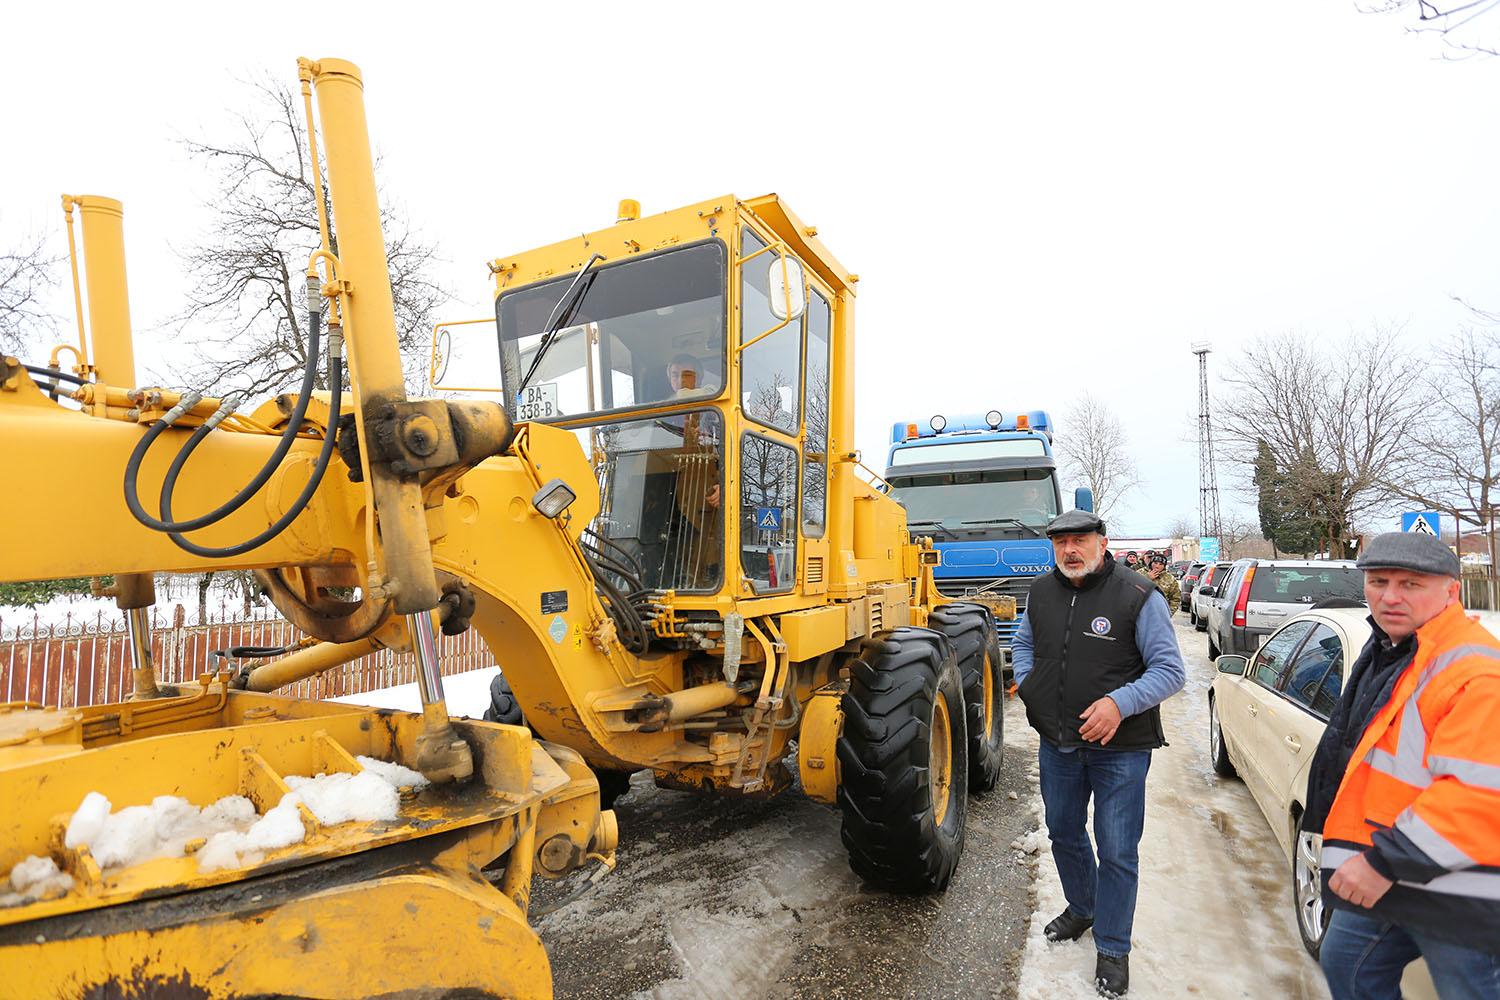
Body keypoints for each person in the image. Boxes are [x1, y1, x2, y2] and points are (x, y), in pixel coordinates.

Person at [1303, 532, 1500, 1000]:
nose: (1389, 596)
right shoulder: (1394, 648)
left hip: (1459, 881)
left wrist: (1381, 864)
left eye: (1410, 584)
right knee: (1347, 965)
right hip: (1398, 862)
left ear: (1451, 591)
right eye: (1378, 581)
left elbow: (1476, 796)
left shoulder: (1475, 672)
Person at [1011, 510, 1186, 998]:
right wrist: (1030, 685)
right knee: (1064, 832)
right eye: (1061, 541)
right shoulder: (1041, 593)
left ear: (1102, 543)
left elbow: (1170, 670)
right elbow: (1023, 645)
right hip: (1059, 744)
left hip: (1120, 750)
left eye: (1080, 540)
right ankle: (1082, 908)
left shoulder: (1137, 595)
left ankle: (1112, 947)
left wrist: (1118, 703)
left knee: (1117, 850)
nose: (1070, 549)